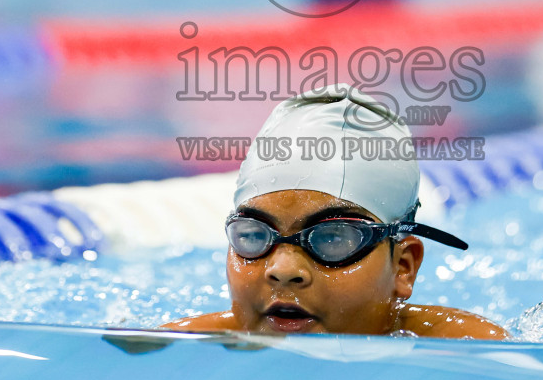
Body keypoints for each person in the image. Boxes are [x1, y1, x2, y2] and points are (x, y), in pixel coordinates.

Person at [163, 86, 508, 339]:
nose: (282, 270)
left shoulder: (467, 351)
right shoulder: (180, 350)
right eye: (254, 235)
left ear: (403, 267)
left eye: (332, 237)